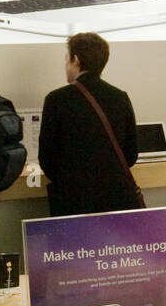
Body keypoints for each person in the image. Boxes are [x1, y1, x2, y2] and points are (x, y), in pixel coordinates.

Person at [38, 32, 141, 217]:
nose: (66, 66)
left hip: (72, 200)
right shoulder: (120, 97)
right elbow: (131, 155)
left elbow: (47, 158)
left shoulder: (56, 99)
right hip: (117, 199)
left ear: (76, 60)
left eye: (66, 60)